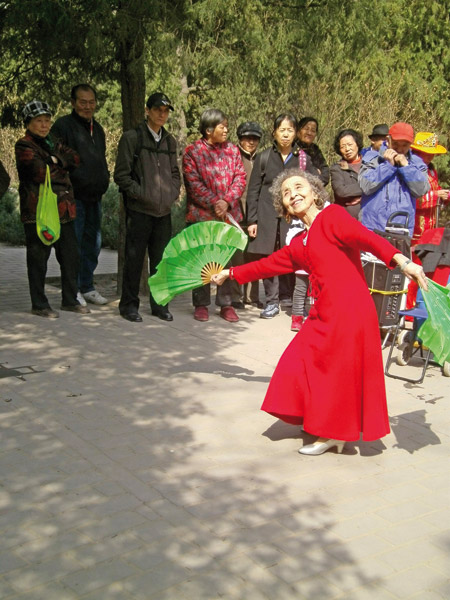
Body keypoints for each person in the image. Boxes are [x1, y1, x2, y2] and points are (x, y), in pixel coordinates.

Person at [212, 169, 427, 455]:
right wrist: (230, 273)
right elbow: (268, 264)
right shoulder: (299, 241)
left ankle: (333, 434)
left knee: (336, 373)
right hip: (324, 312)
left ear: (315, 192)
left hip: (350, 310)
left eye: (299, 187)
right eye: (286, 194)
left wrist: (402, 262)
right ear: (284, 207)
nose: (293, 195)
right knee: (296, 361)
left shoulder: (333, 217)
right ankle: (317, 419)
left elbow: (366, 238)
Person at [15, 100, 90, 317]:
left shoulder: (53, 141)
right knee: (38, 258)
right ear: (29, 122)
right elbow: (40, 172)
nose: (44, 125)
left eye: (47, 120)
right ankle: (39, 304)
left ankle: (69, 299)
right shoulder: (24, 145)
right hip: (38, 212)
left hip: (64, 209)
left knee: (70, 256)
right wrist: (59, 164)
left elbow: (75, 158)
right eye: (39, 121)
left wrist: (54, 160)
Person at [114, 92, 181, 323]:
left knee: (162, 262)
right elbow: (121, 176)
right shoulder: (132, 138)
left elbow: (175, 174)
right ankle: (129, 305)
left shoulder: (170, 141)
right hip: (140, 211)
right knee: (134, 261)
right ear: (147, 111)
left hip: (164, 212)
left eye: (165, 111)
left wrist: (172, 193)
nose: (162, 114)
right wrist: (142, 195)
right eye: (157, 110)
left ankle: (160, 305)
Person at [246, 113, 319, 319]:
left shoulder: (303, 159)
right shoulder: (264, 157)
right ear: (274, 133)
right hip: (267, 214)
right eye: (282, 130)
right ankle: (271, 301)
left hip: (294, 216)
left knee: (294, 256)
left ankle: (290, 299)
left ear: (295, 133)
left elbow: (313, 186)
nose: (286, 134)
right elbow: (253, 190)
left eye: (290, 130)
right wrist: (252, 220)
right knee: (269, 257)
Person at [182, 108, 247, 323]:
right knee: (202, 259)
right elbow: (193, 183)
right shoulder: (193, 152)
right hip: (202, 215)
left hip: (229, 215)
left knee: (228, 259)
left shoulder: (232, 150)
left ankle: (226, 303)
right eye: (222, 126)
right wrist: (214, 203)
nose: (227, 130)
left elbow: (240, 177)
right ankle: (201, 303)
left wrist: (227, 201)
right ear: (209, 129)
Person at [51, 84, 110, 306]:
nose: (87, 106)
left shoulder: (99, 128)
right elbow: (57, 158)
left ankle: (87, 286)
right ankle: (72, 289)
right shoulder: (63, 126)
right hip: (73, 196)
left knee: (93, 245)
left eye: (91, 102)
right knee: (72, 246)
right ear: (73, 103)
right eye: (83, 102)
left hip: (95, 196)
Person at [359, 122, 430, 236]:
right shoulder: (372, 158)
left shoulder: (417, 163)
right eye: (396, 144)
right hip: (373, 228)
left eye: (404, 145)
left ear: (411, 144)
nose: (400, 149)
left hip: (402, 228)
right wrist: (388, 166)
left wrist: (406, 167)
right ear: (388, 140)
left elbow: (421, 190)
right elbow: (365, 186)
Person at [406, 132, 449, 307]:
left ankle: (425, 304)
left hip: (431, 229)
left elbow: (435, 191)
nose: (430, 156)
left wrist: (443, 195)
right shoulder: (410, 170)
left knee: (428, 269)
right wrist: (435, 195)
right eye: (426, 152)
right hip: (415, 226)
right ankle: (410, 306)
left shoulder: (431, 170)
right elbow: (411, 198)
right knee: (414, 269)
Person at [231, 121, 264, 309]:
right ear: (240, 139)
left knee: (254, 256)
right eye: (247, 138)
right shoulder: (233, 156)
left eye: (255, 138)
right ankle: (235, 297)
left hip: (256, 214)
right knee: (237, 257)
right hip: (235, 213)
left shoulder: (261, 158)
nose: (250, 142)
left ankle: (252, 296)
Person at [330, 128, 364, 219]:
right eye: (343, 147)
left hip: (370, 218)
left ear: (357, 144)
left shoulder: (370, 164)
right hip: (347, 218)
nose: (347, 149)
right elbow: (341, 191)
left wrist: (364, 197)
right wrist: (368, 187)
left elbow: (379, 186)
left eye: (350, 144)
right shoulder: (337, 168)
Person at [296, 117, 329, 186]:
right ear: (298, 131)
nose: (309, 133)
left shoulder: (315, 149)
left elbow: (326, 175)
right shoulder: (292, 148)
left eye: (313, 130)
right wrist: (316, 173)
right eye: (306, 129)